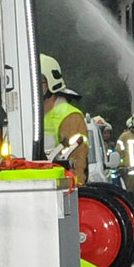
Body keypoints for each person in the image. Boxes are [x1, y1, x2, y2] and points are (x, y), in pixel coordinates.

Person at [39, 54, 91, 185]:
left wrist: (75, 189)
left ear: (52, 83)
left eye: (39, 81)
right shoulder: (31, 117)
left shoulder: (70, 117)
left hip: (60, 189)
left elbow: (76, 163)